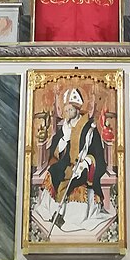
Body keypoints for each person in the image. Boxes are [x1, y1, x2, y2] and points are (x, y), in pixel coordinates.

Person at [40, 88, 107, 226]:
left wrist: (86, 162)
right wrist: (62, 142)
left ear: (77, 109)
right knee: (53, 171)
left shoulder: (89, 129)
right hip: (66, 164)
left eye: (70, 109)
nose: (67, 113)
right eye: (66, 110)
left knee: (75, 181)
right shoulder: (64, 128)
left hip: (81, 167)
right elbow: (55, 152)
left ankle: (71, 218)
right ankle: (53, 211)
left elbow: (97, 155)